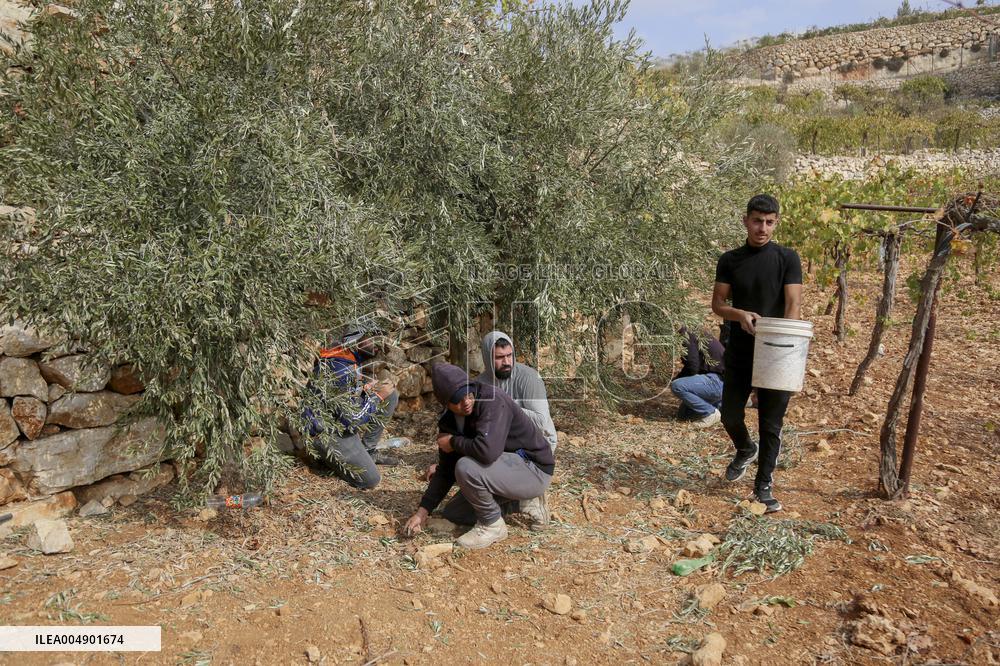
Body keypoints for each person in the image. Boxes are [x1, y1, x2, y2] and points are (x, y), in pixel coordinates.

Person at [712, 194, 802, 513]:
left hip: (777, 353)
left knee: (770, 424)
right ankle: (744, 448)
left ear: (776, 223)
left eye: (768, 222)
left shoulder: (788, 258)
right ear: (745, 220)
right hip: (739, 352)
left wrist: (780, 344)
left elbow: (792, 306)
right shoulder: (730, 260)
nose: (762, 228)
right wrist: (740, 315)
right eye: (756, 221)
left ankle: (763, 486)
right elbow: (718, 305)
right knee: (730, 414)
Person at [402, 363, 555, 549]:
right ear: (446, 403)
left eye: (468, 394)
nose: (466, 402)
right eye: (458, 399)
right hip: (505, 471)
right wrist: (422, 512)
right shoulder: (449, 421)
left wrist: (453, 442)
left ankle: (492, 526)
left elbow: (488, 451)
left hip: (532, 468)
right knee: (455, 513)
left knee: (466, 467)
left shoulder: (493, 401)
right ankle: (523, 503)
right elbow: (446, 472)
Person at [303, 321, 403, 490]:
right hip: (327, 435)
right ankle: (325, 459)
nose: (376, 344)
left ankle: (368, 452)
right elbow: (352, 419)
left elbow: (343, 403)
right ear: (355, 342)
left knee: (390, 395)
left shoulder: (345, 360)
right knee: (371, 480)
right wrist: (376, 397)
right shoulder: (340, 369)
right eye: (370, 339)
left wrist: (363, 390)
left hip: (338, 425)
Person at [670, 326, 725, 427]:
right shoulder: (695, 332)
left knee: (676, 386)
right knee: (683, 415)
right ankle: (717, 408)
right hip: (722, 384)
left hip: (717, 382)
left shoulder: (686, 333)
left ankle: (710, 413)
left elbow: (692, 366)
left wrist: (677, 379)